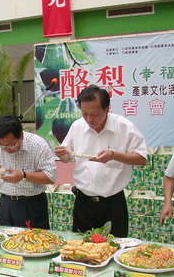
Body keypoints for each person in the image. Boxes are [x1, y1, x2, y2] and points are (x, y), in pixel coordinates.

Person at [55, 85, 147, 237]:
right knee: (81, 250)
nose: (89, 119)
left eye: (95, 114)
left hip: (112, 204)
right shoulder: (77, 126)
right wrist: (62, 154)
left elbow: (141, 159)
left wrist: (114, 155)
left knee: (113, 249)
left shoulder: (124, 127)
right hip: (83, 202)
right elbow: (67, 158)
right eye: (85, 114)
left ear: (107, 110)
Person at [0, 114, 57, 229]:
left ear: (21, 136)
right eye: (1, 144)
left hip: (31, 203)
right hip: (6, 203)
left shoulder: (37, 144)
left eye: (10, 144)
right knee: (5, 241)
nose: (6, 148)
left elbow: (50, 176)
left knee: (33, 242)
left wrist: (23, 176)